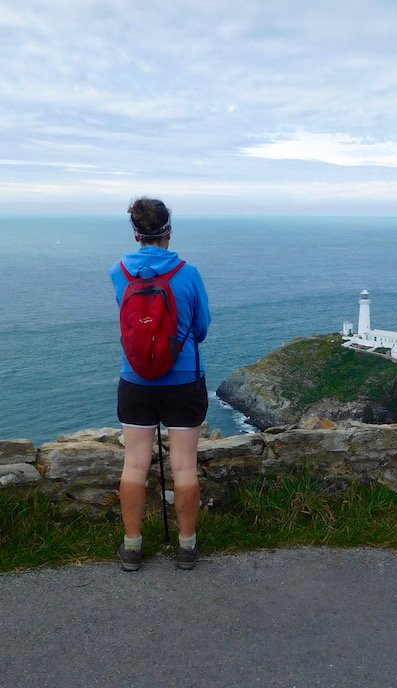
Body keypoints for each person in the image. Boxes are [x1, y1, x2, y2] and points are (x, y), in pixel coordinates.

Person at [110, 197, 211, 571]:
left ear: (136, 233)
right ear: (169, 231)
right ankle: (186, 547)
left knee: (135, 464)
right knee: (184, 465)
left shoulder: (118, 272)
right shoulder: (189, 273)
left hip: (135, 380)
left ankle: (132, 547)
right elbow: (201, 329)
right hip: (184, 381)